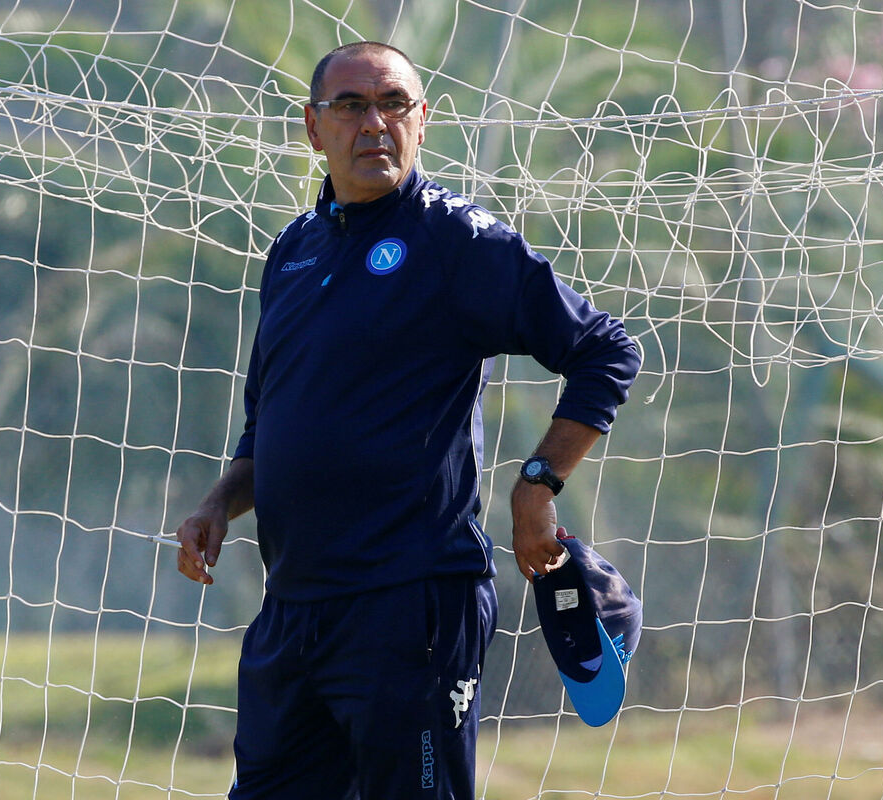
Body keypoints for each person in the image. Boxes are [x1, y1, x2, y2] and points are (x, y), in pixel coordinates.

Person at [175, 41, 641, 799]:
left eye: (393, 104)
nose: (374, 124)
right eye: (351, 105)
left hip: (411, 609)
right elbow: (271, 425)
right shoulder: (292, 251)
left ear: (422, 120)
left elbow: (606, 351)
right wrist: (217, 504)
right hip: (292, 611)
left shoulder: (457, 241)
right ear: (313, 127)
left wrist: (536, 485)